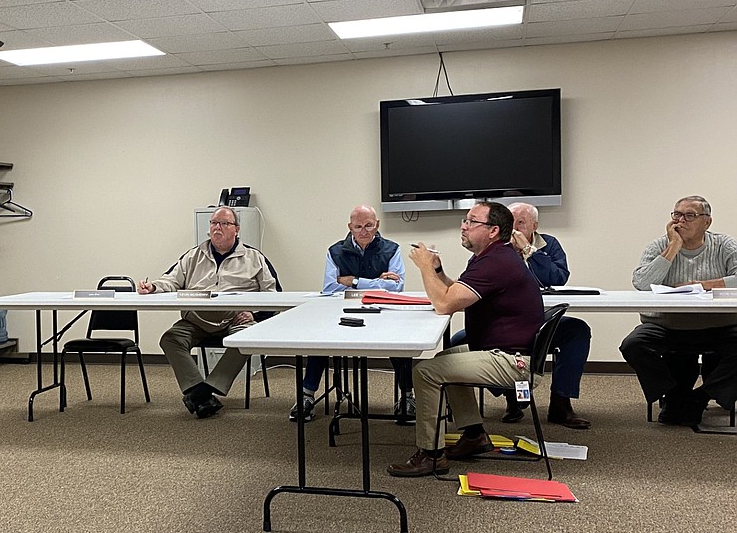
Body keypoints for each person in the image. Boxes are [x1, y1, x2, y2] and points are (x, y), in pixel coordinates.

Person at [389, 201, 544, 477]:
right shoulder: (490, 257)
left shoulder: (496, 262)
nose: (463, 226)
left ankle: (431, 455)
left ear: (493, 230)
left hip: (513, 361)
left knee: (425, 372)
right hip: (505, 352)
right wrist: (437, 270)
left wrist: (424, 268)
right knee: (445, 360)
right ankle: (474, 435)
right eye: (465, 220)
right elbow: (458, 292)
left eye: (472, 222)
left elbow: (445, 304)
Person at [452, 202, 592, 428]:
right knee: (457, 341)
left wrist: (528, 251)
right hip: (505, 321)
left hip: (540, 317)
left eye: (521, 223)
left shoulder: (548, 244)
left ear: (534, 226)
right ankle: (511, 396)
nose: (514, 228)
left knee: (577, 331)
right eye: (510, 221)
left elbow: (557, 277)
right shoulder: (492, 249)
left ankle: (561, 402)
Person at [139, 206, 279, 418]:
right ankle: (199, 393)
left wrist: (255, 314)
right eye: (214, 223)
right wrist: (153, 287)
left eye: (224, 223)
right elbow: (171, 280)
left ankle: (205, 390)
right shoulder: (193, 255)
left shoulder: (254, 257)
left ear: (236, 229)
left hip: (236, 320)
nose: (217, 228)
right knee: (170, 339)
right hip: (197, 320)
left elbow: (274, 294)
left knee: (245, 339)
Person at [289, 205, 415, 424]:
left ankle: (407, 398)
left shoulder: (391, 249)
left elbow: (396, 287)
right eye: (358, 226)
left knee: (401, 343)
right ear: (350, 227)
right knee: (318, 340)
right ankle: (307, 396)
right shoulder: (335, 251)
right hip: (342, 313)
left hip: (383, 313)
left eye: (368, 225)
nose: (363, 231)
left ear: (377, 225)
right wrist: (378, 283)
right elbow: (330, 288)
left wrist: (353, 281)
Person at [620, 195, 737, 426]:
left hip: (719, 325)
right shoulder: (659, 246)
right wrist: (674, 247)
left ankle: (700, 397)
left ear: (707, 222)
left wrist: (702, 285)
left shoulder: (724, 245)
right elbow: (641, 283)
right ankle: (673, 394)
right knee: (633, 345)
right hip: (666, 325)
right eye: (676, 215)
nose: (680, 221)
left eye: (689, 216)